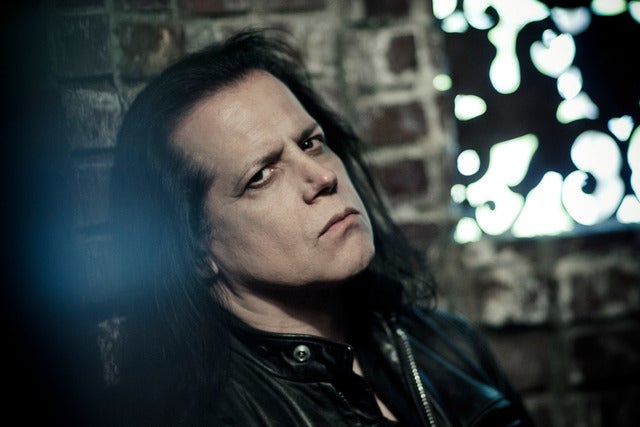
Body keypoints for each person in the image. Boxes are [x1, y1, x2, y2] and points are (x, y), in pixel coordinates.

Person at [106, 28, 535, 426]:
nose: (322, 176)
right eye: (261, 175)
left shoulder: (447, 343)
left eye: (311, 143)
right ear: (196, 251)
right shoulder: (205, 416)